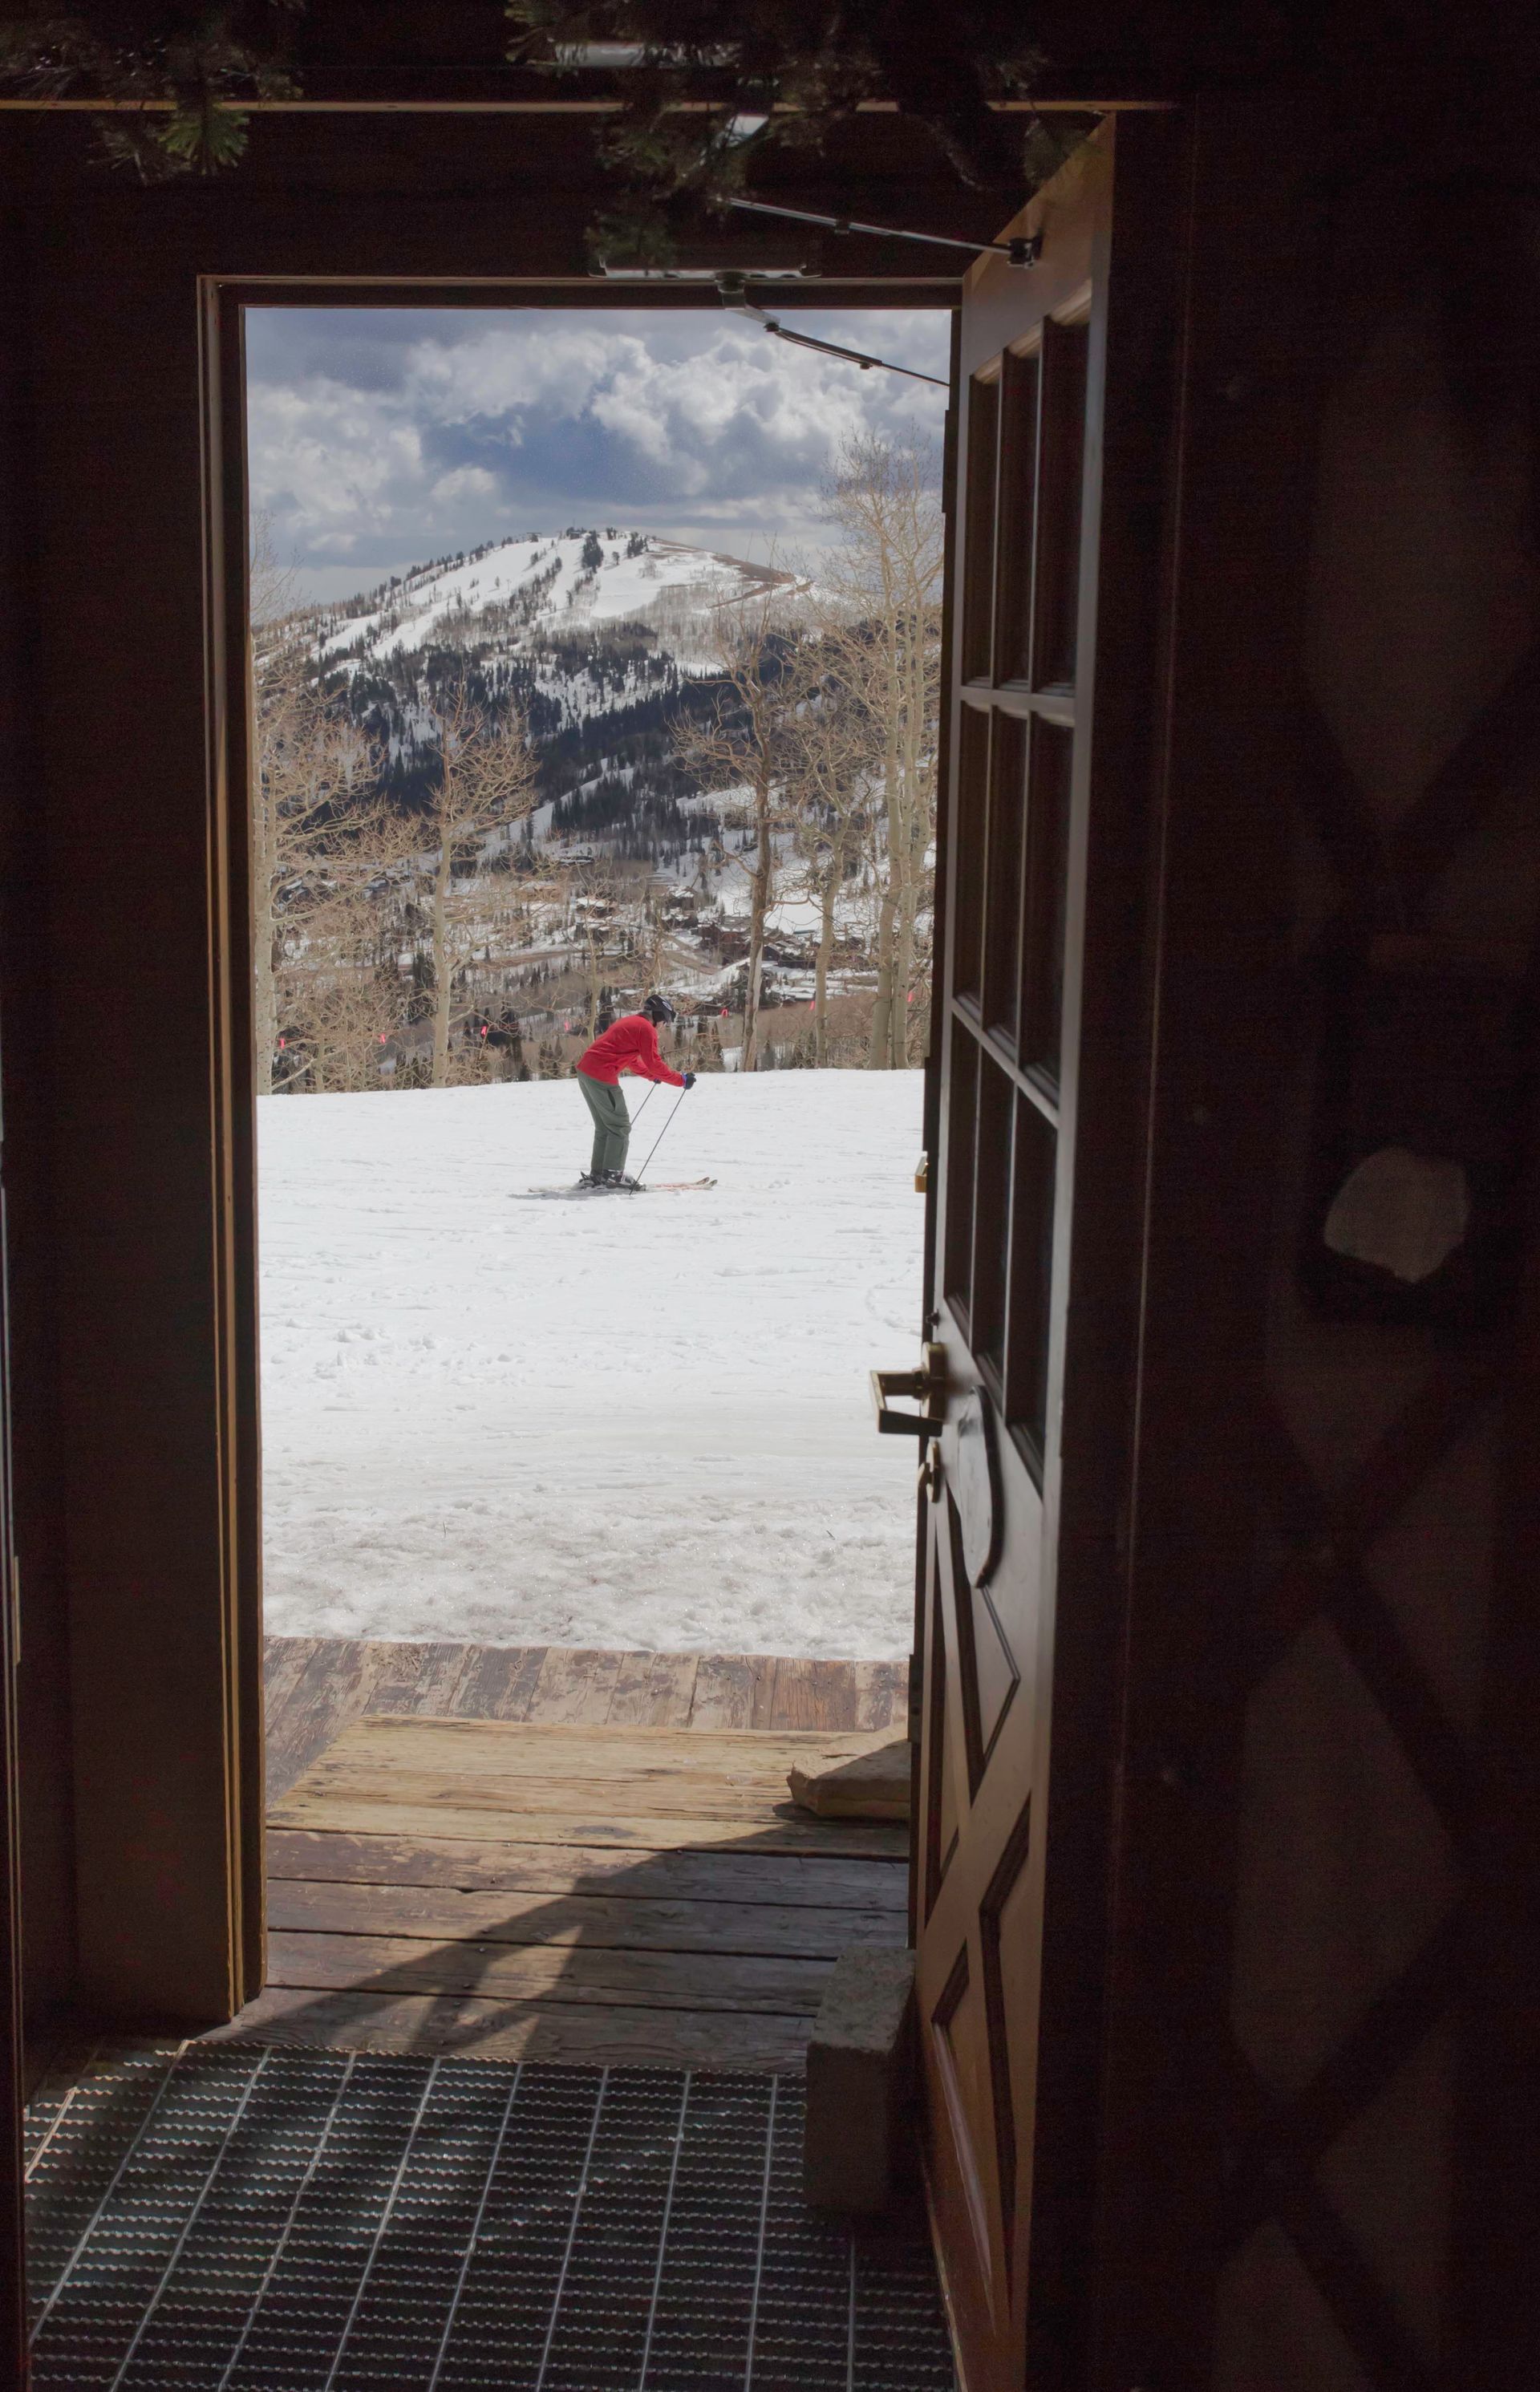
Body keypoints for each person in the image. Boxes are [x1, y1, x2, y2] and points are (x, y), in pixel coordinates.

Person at [574, 992, 695, 1189]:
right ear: (658, 1015)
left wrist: (652, 1076)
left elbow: (632, 1059)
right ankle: (613, 1175)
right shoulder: (646, 1029)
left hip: (586, 1072)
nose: (663, 1026)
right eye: (664, 1021)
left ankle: (599, 1174)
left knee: (606, 1127)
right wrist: (680, 1080)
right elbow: (654, 1063)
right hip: (601, 1075)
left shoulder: (631, 1022)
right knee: (620, 1126)